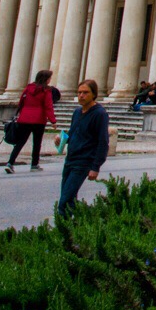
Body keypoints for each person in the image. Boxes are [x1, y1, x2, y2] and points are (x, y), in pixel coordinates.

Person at [56, 79, 109, 218]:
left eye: (85, 92)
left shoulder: (99, 114)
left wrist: (95, 167)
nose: (81, 95)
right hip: (70, 160)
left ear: (94, 94)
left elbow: (103, 142)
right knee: (69, 199)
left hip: (83, 162)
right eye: (79, 92)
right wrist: (62, 139)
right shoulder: (77, 112)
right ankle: (83, 224)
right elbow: (74, 133)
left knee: (64, 201)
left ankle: (63, 233)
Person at [5, 69, 57, 172]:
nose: (50, 80)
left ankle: (10, 163)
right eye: (50, 78)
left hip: (24, 118)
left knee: (20, 142)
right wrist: (53, 121)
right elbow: (48, 106)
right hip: (38, 120)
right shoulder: (46, 91)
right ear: (46, 79)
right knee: (37, 143)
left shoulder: (28, 88)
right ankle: (34, 165)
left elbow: (21, 102)